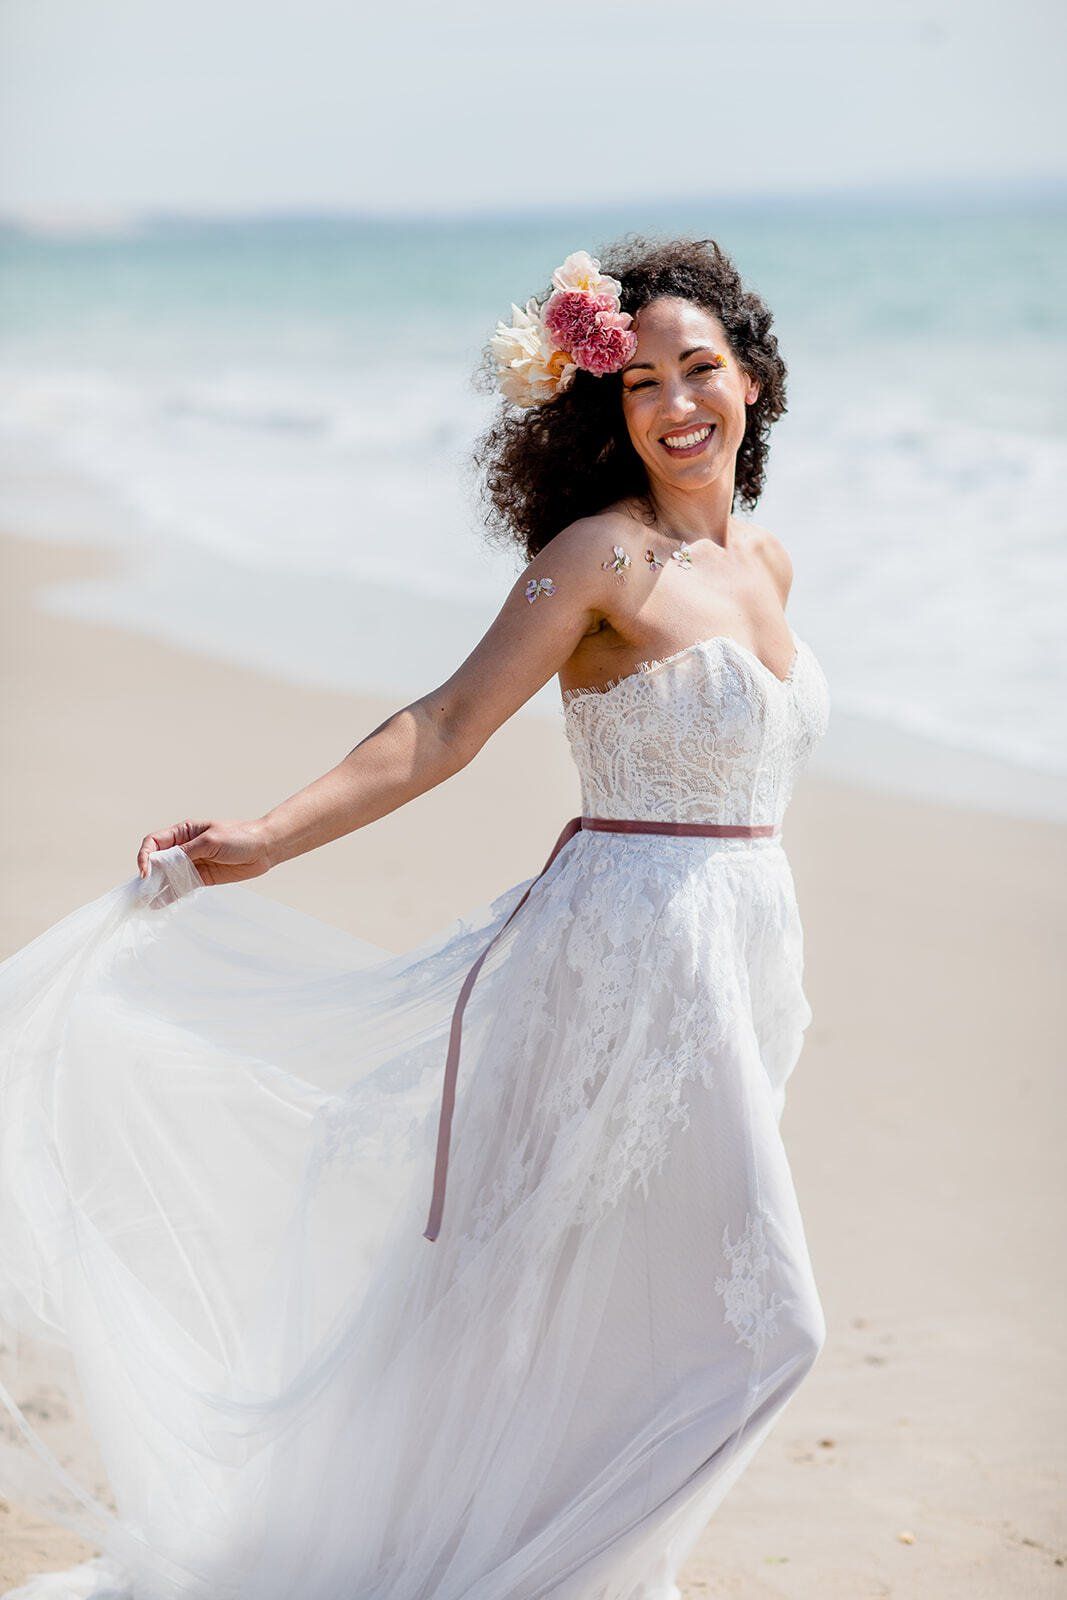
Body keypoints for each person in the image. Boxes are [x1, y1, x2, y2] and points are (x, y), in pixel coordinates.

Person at [0, 236, 831, 1600]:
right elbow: (444, 723)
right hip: (629, 965)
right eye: (645, 385)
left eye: (705, 370)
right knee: (773, 1330)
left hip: (740, 973)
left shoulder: (772, 565)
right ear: (605, 410)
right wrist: (266, 836)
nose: (680, 404)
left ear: (754, 382)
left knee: (623, 1311)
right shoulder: (602, 556)